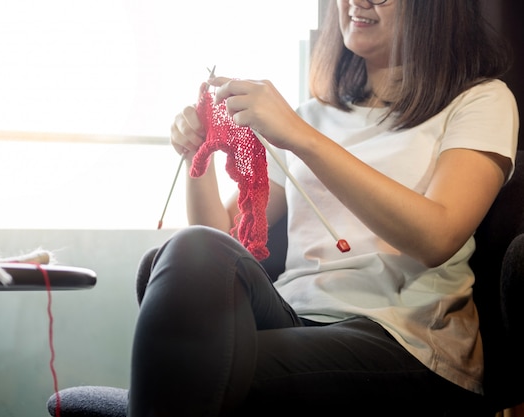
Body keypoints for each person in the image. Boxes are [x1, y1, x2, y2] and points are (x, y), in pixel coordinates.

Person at [129, 1, 519, 416]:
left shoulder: (479, 100)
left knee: (194, 364)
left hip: (403, 337)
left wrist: (301, 138)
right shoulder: (311, 115)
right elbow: (219, 241)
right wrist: (197, 155)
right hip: (293, 315)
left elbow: (438, 236)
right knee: (185, 253)